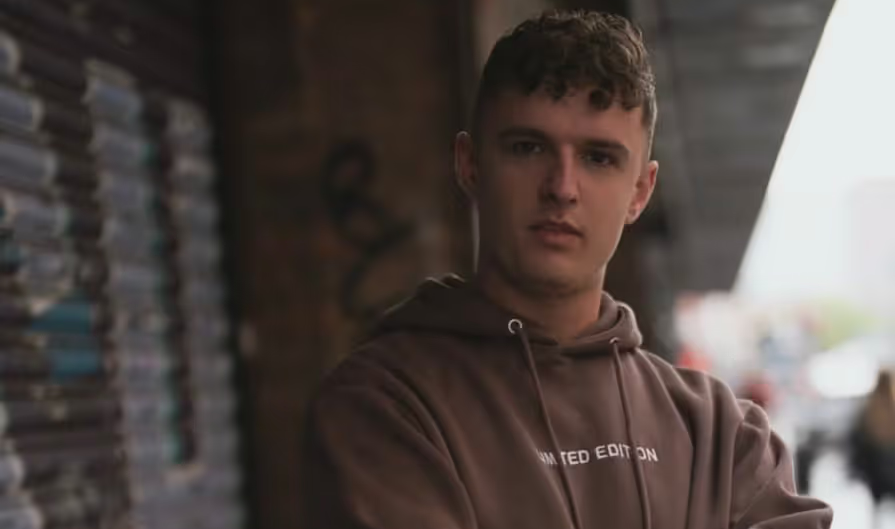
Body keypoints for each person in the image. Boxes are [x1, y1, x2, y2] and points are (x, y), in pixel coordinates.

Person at [301, 10, 832, 529]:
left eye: (599, 157)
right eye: (528, 148)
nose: (561, 187)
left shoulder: (721, 434)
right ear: (470, 165)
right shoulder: (384, 404)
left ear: (640, 191)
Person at [848, 370, 895, 527]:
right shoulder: (891, 406)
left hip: (874, 470)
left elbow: (857, 438)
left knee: (876, 509)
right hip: (889, 469)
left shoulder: (868, 408)